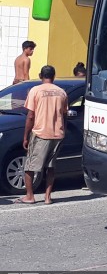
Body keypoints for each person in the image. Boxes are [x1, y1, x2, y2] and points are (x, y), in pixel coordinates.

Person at [14, 65, 68, 205]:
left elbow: (31, 116)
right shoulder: (61, 92)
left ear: (40, 76)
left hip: (41, 133)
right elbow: (64, 114)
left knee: (30, 166)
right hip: (57, 134)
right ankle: (47, 197)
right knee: (51, 167)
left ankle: (29, 196)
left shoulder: (35, 91)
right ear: (54, 76)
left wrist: (25, 136)